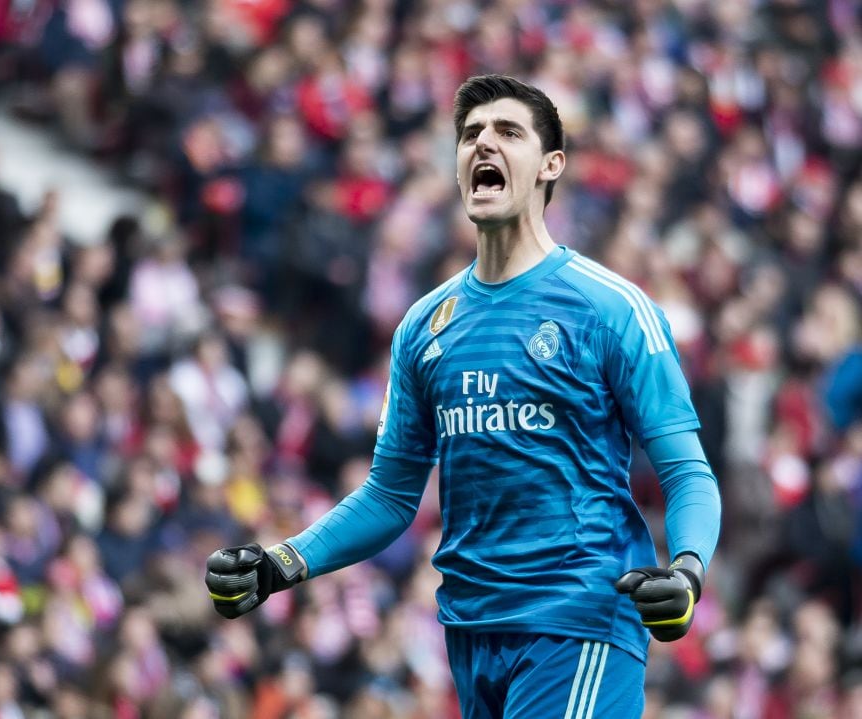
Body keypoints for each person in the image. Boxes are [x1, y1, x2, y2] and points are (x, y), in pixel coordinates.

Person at [205, 74, 721, 718]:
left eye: (508, 132)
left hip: (581, 616)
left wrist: (688, 572)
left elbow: (687, 472)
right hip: (472, 630)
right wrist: (283, 562)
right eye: (471, 134)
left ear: (550, 166)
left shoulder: (610, 308)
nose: (484, 145)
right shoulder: (424, 327)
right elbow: (390, 495)